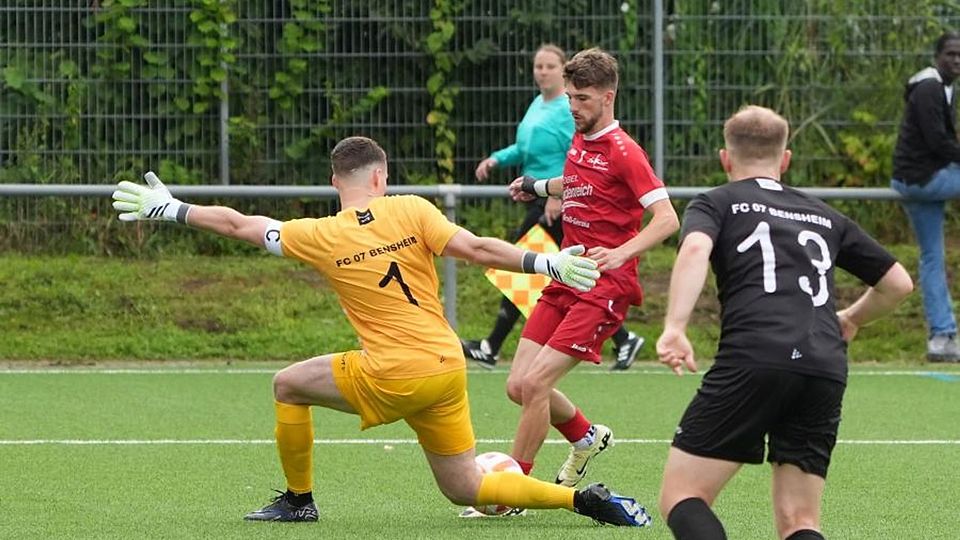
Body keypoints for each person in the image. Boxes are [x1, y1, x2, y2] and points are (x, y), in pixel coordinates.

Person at [110, 136, 651, 527]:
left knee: (287, 384)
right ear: (380, 178)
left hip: (391, 373)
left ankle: (298, 502)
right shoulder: (412, 210)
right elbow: (478, 248)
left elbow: (238, 224)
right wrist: (547, 264)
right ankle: (582, 501)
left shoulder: (319, 234)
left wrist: (173, 209)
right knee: (465, 486)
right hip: (446, 368)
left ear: (334, 183)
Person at [656, 106, 913, 540]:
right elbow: (898, 283)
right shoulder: (825, 215)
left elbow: (696, 249)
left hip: (755, 356)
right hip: (824, 365)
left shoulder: (716, 201)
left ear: (725, 159)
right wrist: (851, 318)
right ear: (786, 159)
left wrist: (675, 326)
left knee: (682, 495)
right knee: (800, 520)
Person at [505, 48, 679, 487]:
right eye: (570, 97)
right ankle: (585, 437)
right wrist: (537, 187)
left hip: (605, 287)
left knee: (536, 384)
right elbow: (580, 182)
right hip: (567, 274)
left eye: (582, 99)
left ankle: (512, 491)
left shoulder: (626, 152)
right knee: (518, 385)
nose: (573, 107)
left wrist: (621, 253)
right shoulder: (581, 137)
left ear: (608, 97)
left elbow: (667, 218)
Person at [464, 44, 644, 371]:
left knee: (528, 262)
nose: (542, 71)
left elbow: (582, 162)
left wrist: (555, 196)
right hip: (547, 195)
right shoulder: (540, 104)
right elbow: (526, 147)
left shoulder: (573, 113)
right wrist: (501, 162)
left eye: (549, 66)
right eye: (538, 66)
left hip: (559, 204)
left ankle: (492, 345)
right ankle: (623, 338)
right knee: (561, 269)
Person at [891, 30, 960, 363]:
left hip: (920, 179)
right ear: (937, 57)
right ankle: (943, 335)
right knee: (932, 256)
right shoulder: (930, 88)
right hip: (921, 179)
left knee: (932, 257)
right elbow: (938, 143)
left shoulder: (944, 87)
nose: (957, 60)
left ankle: (941, 337)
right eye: (951, 54)